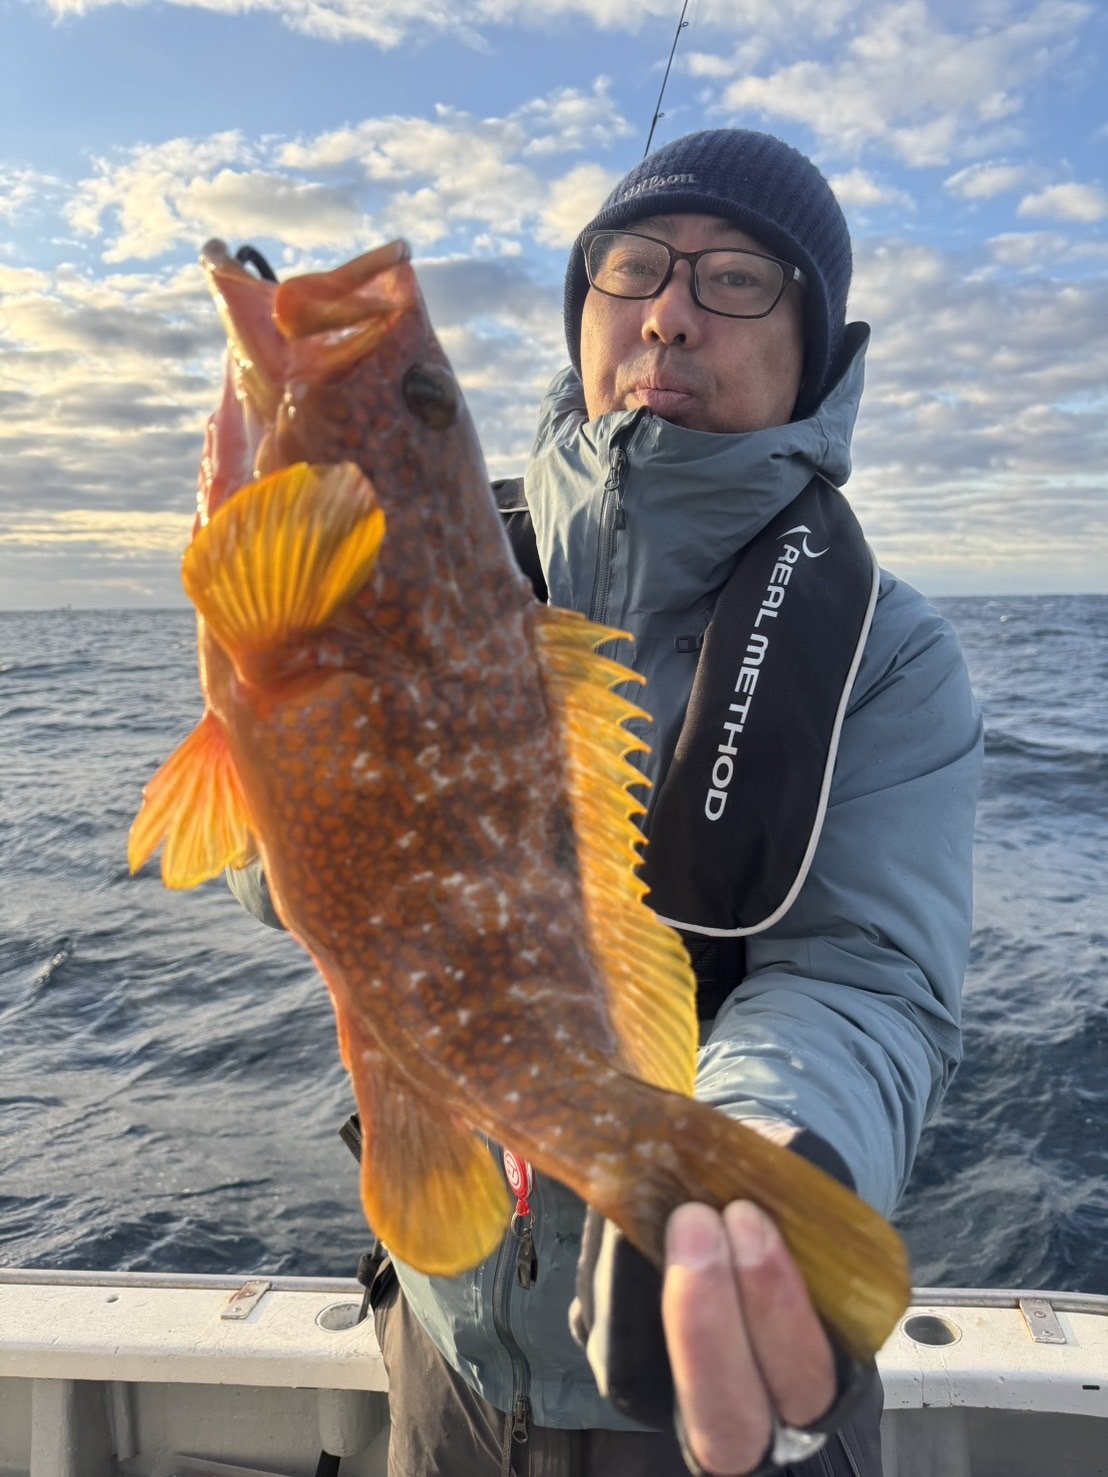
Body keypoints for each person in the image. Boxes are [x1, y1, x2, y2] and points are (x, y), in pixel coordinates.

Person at [230, 128, 983, 1476]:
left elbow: (864, 977)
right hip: (450, 1360)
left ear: (816, 353)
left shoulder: (888, 652)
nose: (669, 313)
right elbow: (262, 865)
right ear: (583, 311)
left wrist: (744, 1176)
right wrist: (285, 741)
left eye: (736, 279)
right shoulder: (456, 556)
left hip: (717, 1390)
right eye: (633, 267)